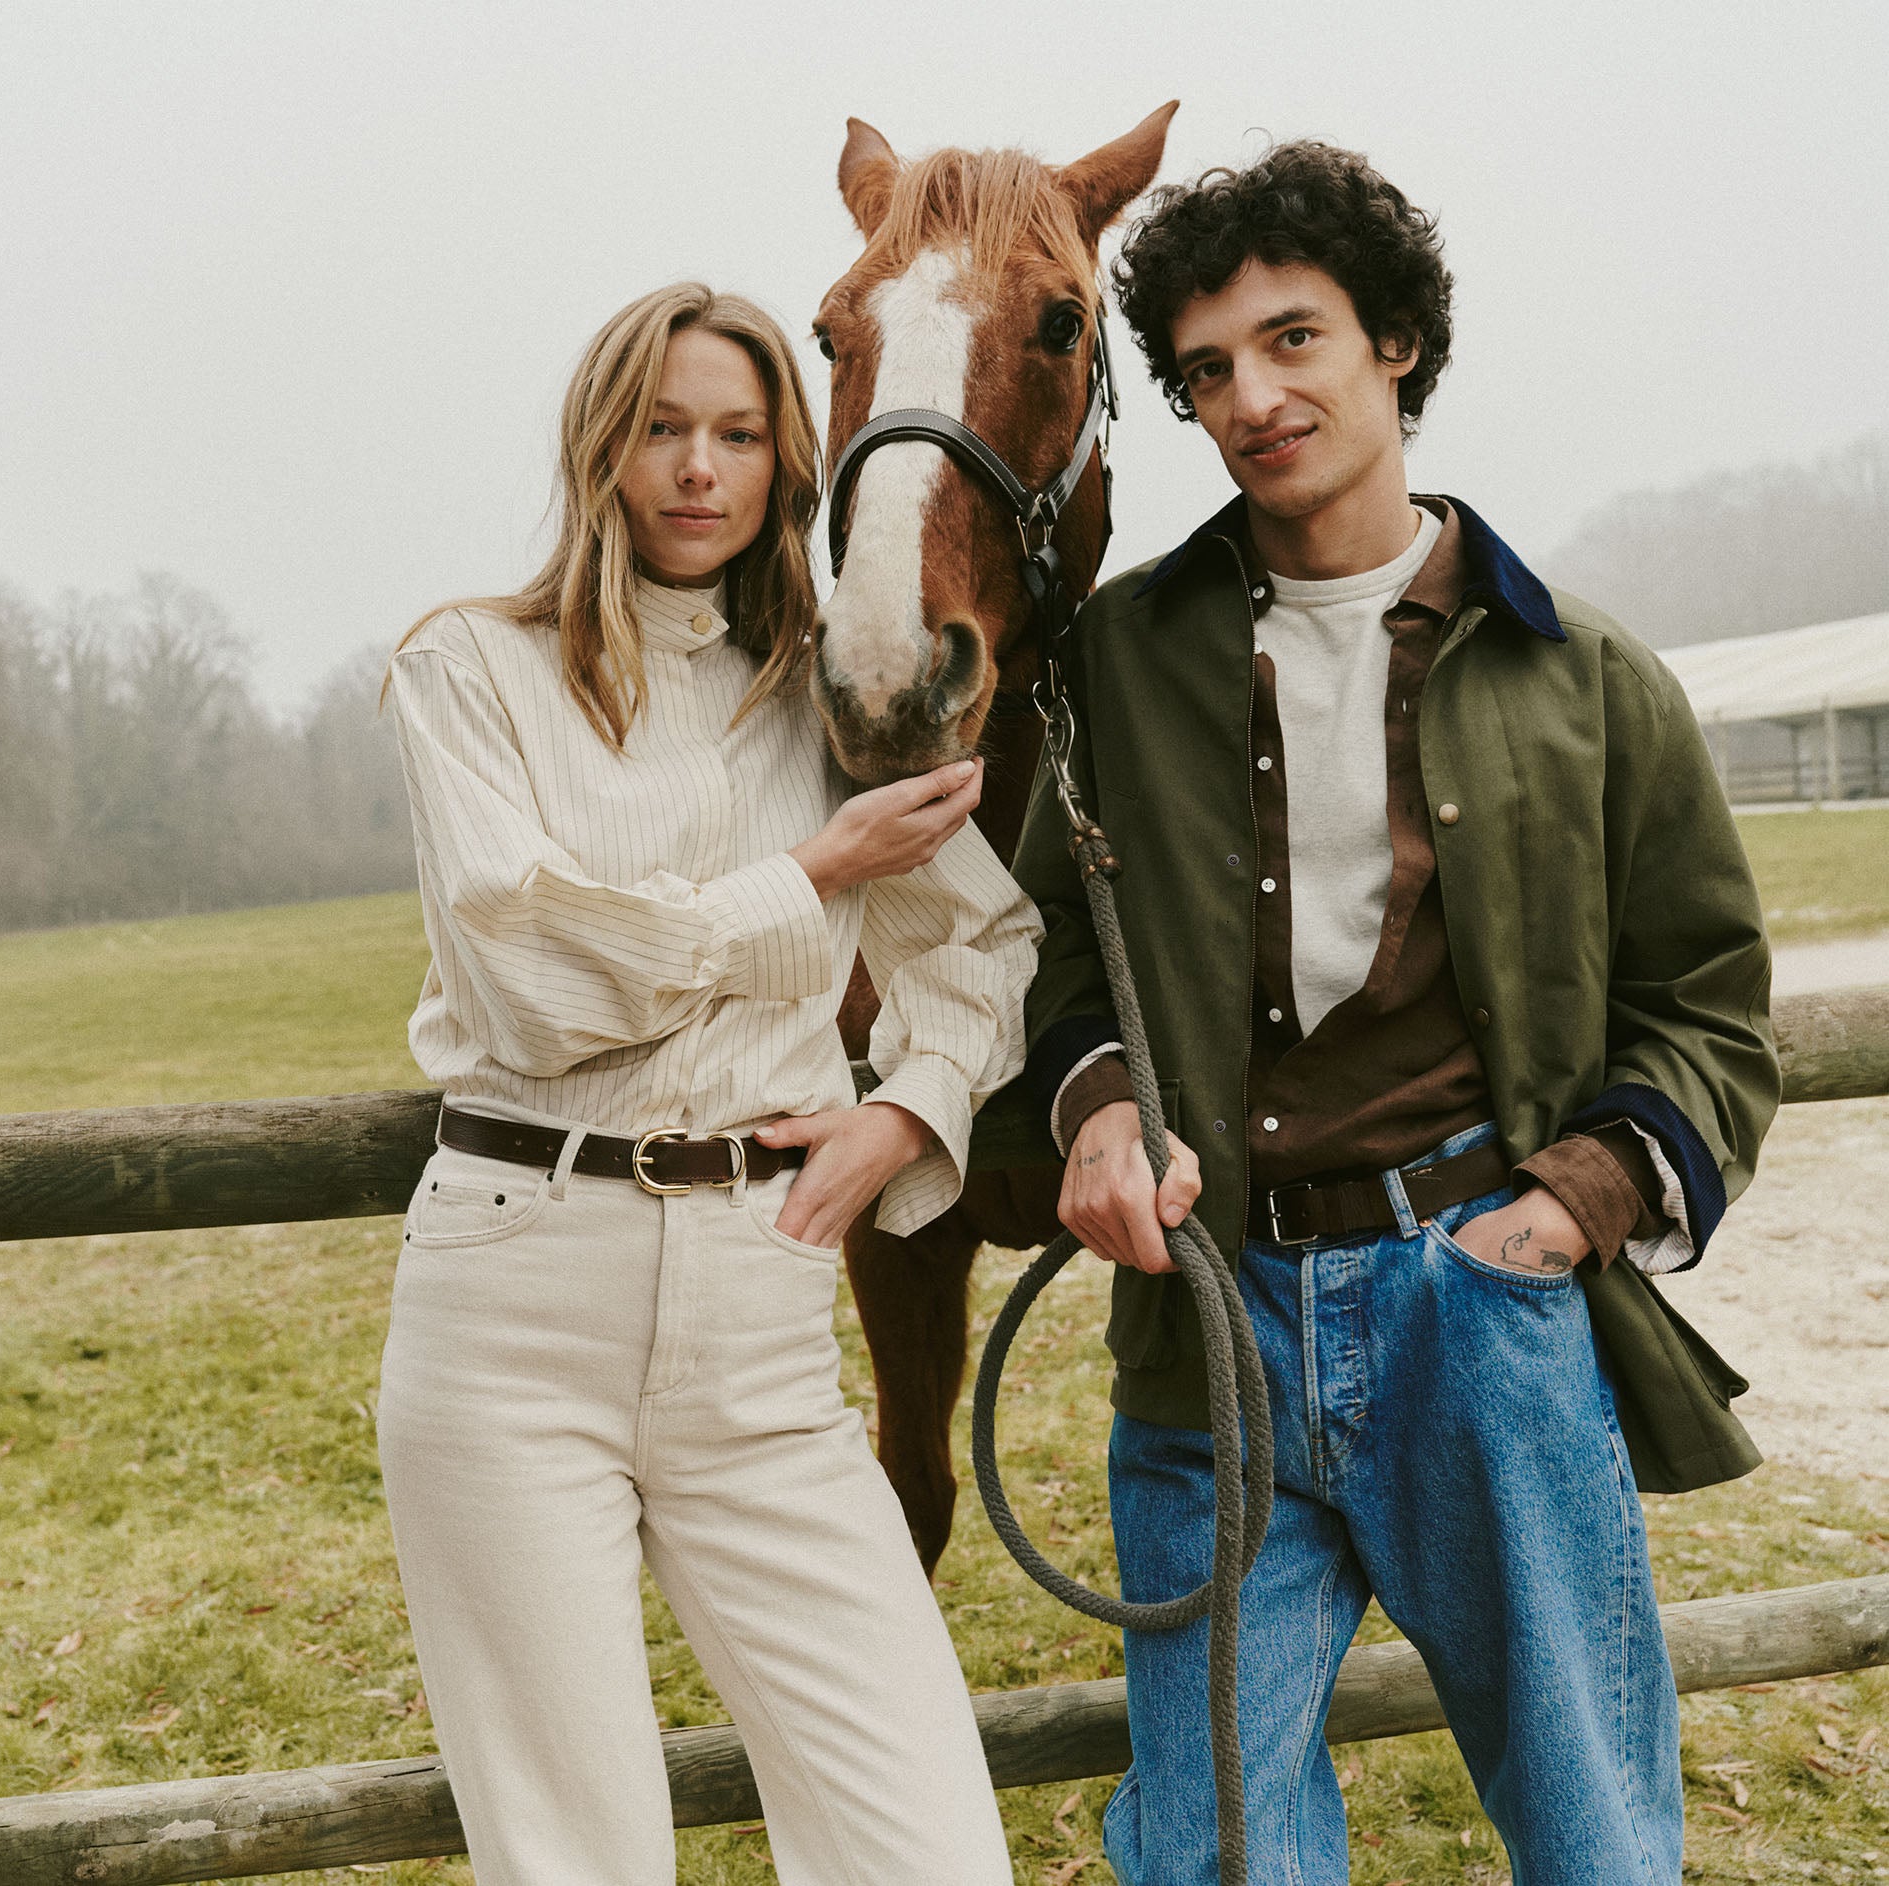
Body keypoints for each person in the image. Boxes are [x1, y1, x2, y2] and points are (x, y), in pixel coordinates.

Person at [1014, 143, 1778, 1885]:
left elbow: (1712, 1007)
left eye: (1294, 340)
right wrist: (1100, 1101)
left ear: (1399, 343)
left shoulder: (1586, 673)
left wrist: (1569, 1207)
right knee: (1211, 1850)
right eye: (1208, 368)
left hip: (1480, 1308)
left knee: (1594, 1836)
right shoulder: (1114, 663)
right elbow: (1049, 944)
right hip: (1210, 1326)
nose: (1253, 398)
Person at [378, 281, 1040, 1886]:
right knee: (578, 1854)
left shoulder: (829, 695)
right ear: (600, 447)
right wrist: (810, 877)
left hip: (762, 1308)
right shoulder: (465, 668)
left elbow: (987, 944)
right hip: (516, 1295)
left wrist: (912, 1107)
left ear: (785, 465)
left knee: (927, 1847)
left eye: (739, 435)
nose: (698, 468)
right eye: (663, 428)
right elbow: (530, 973)